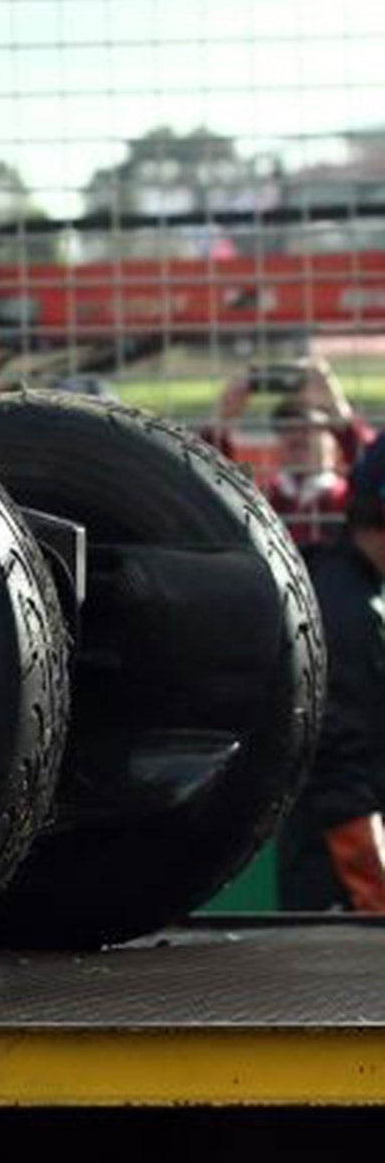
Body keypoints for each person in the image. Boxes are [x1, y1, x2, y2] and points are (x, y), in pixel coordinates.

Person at [277, 436, 385, 911]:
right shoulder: (345, 610)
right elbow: (338, 769)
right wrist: (374, 894)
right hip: (341, 898)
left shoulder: (362, 592)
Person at [208, 356, 373, 548]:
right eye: (286, 426)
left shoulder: (350, 497)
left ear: (333, 441)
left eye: (310, 425)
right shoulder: (261, 498)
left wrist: (338, 411)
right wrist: (224, 418)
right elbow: (206, 484)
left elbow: (376, 471)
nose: (297, 434)